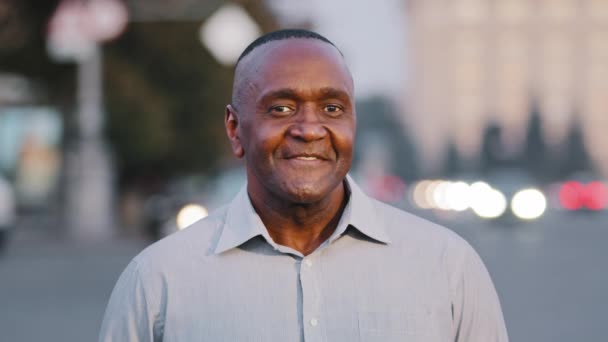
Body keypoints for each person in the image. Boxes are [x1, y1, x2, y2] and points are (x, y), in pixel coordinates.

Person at [99, 29, 508, 342]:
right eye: (281, 108)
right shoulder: (157, 282)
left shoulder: (448, 268)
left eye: (332, 108)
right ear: (235, 128)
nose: (310, 129)